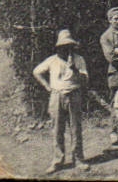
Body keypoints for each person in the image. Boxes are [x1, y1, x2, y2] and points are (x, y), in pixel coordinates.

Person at [33, 30, 89, 172]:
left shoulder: (79, 59)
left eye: (69, 46)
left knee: (75, 129)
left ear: (72, 46)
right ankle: (58, 161)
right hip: (57, 96)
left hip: (74, 95)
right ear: (58, 47)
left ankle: (78, 159)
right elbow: (37, 71)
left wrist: (74, 69)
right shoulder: (52, 60)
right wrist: (47, 86)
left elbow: (85, 80)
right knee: (57, 129)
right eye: (63, 46)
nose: (66, 49)